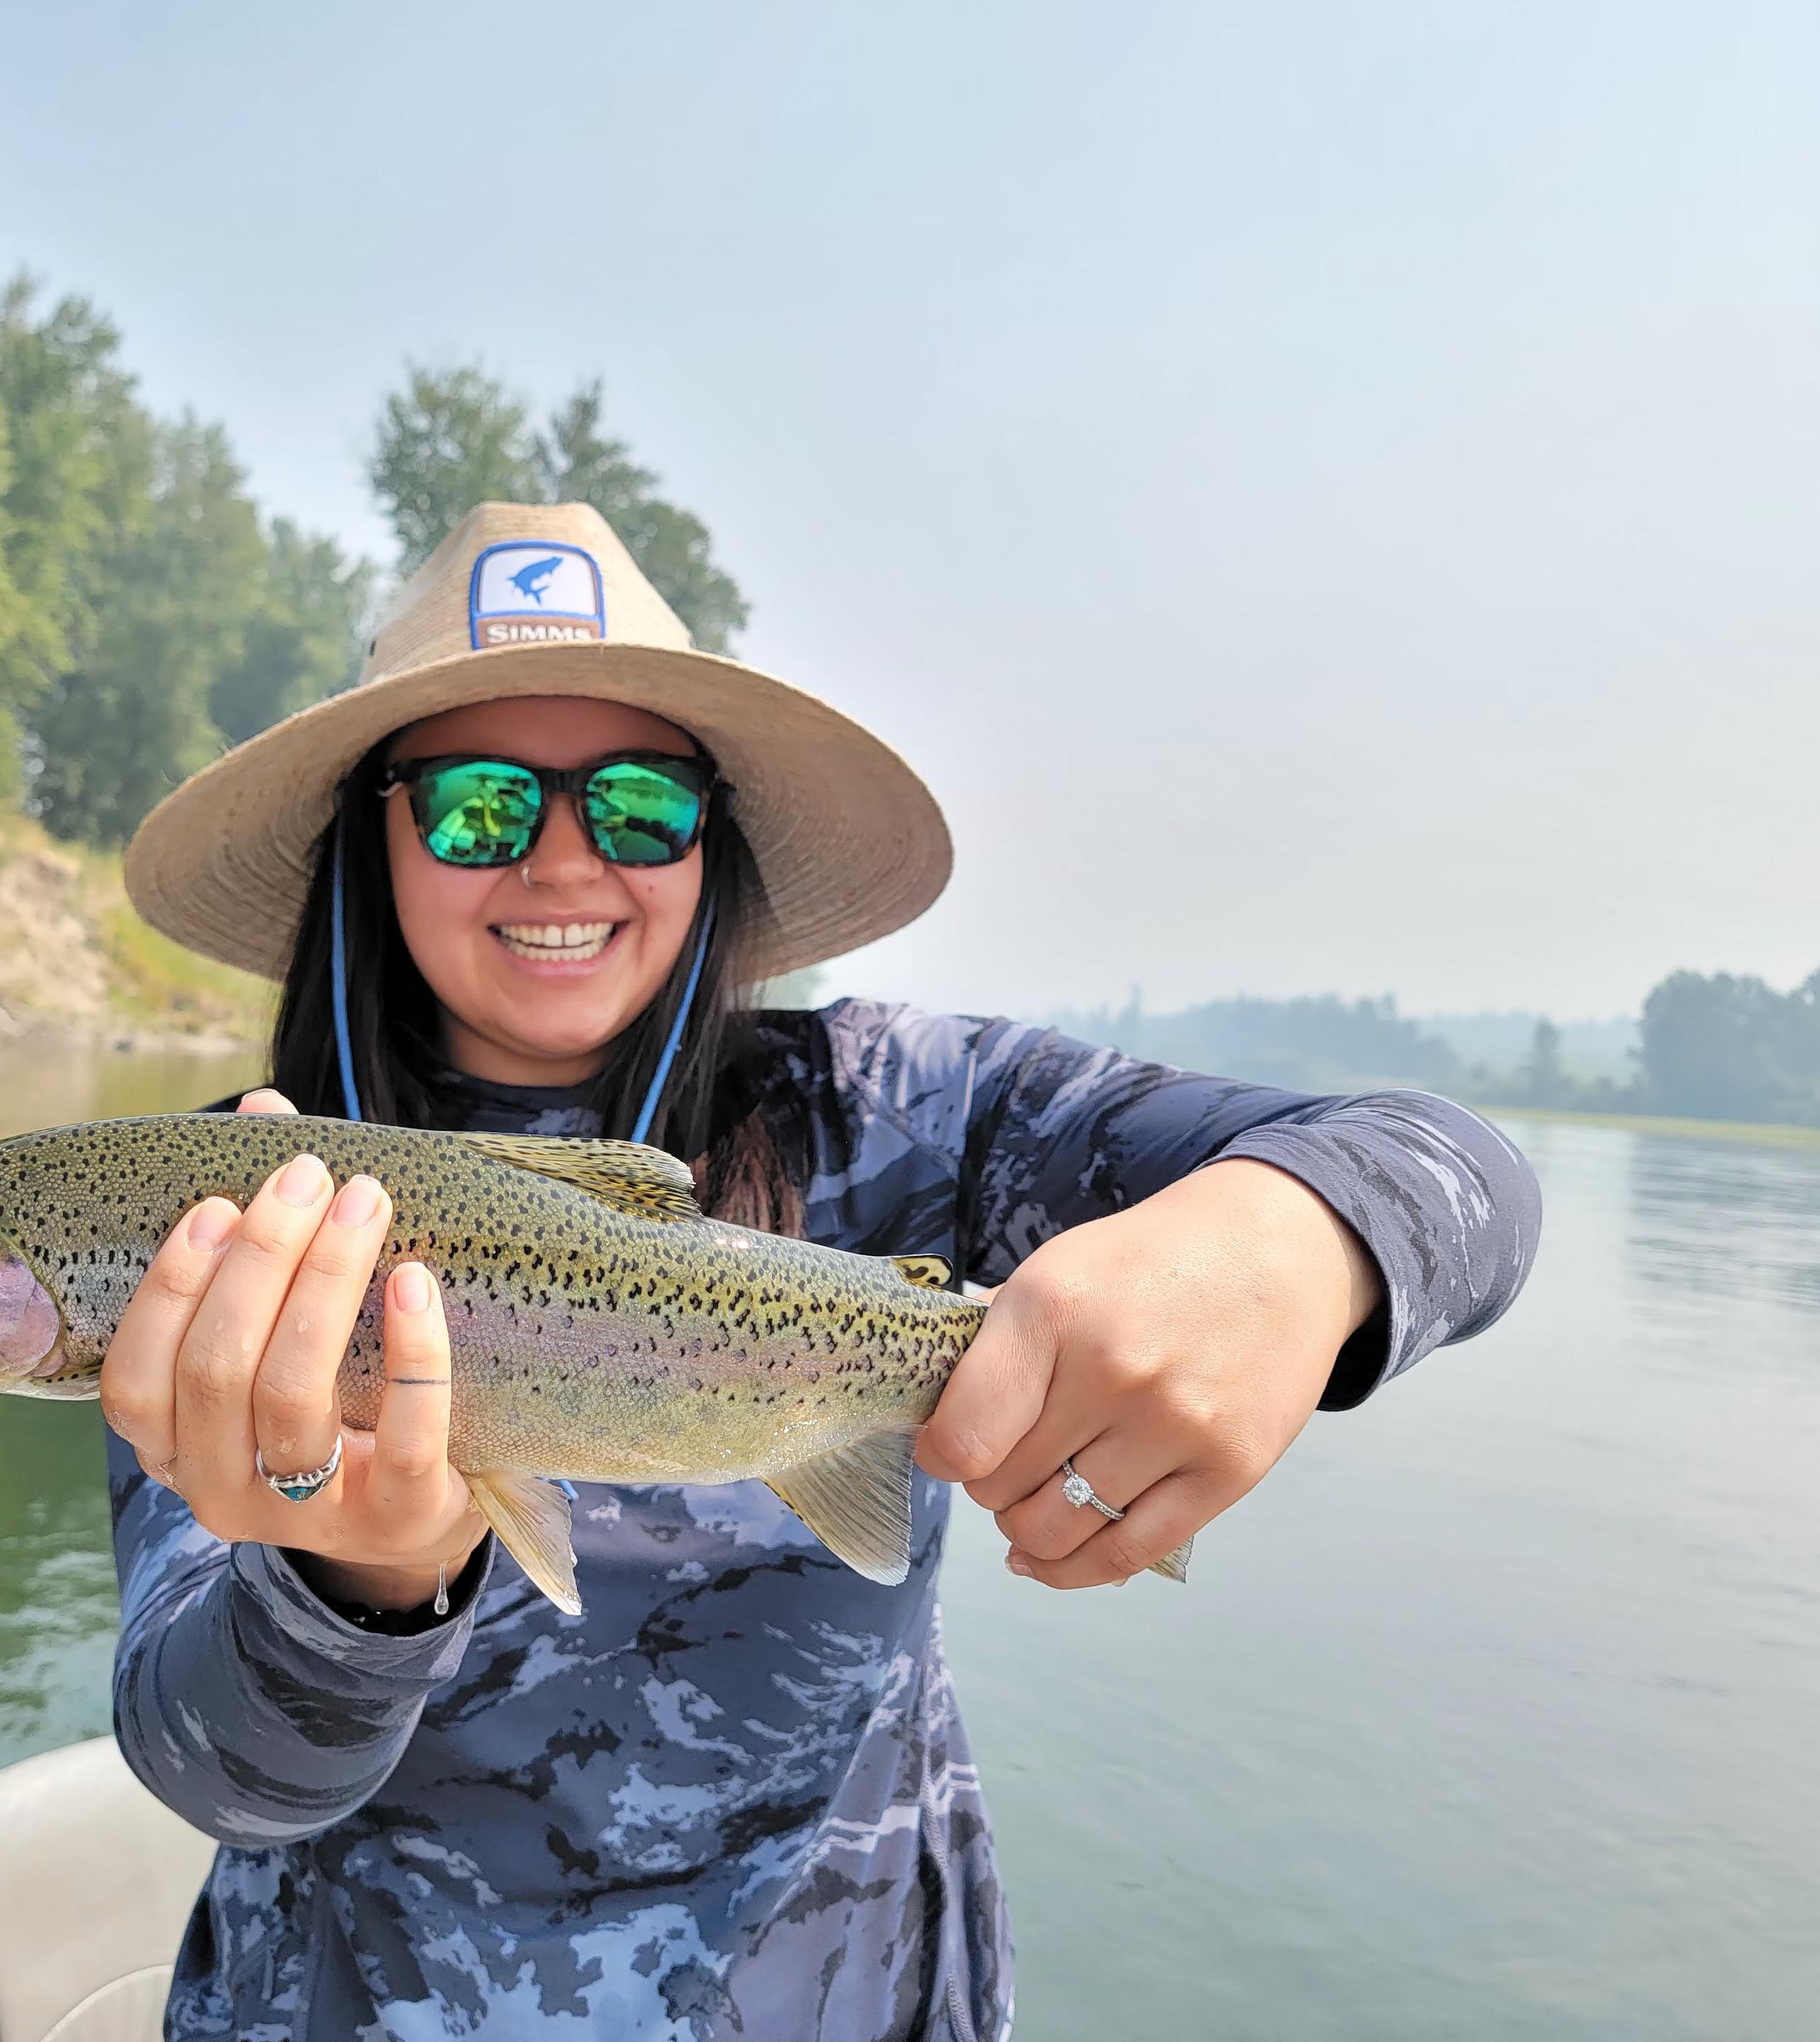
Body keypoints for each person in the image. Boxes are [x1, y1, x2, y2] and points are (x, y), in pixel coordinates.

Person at [101, 504, 1538, 2040]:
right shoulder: (239, 1217)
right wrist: (362, 1584)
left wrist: (1291, 1239)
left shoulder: (912, 1115)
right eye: (477, 810)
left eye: (641, 805)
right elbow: (223, 1777)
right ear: (369, 845)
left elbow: (1463, 1172)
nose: (564, 859)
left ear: (709, 842)